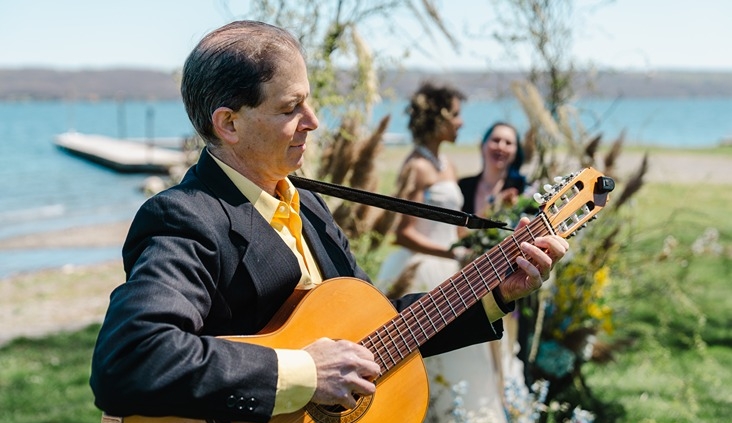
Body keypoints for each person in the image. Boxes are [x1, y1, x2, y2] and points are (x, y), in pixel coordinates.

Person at [89, 21, 569, 423]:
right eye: (289, 107)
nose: (313, 120)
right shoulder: (187, 216)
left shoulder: (308, 206)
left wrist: (494, 292)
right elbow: (129, 359)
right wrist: (302, 373)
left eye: (309, 101)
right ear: (229, 124)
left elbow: (375, 335)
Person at [376, 85, 507, 422]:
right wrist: (452, 253)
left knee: (469, 355)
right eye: (455, 114)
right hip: (420, 271)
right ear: (437, 118)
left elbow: (455, 225)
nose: (461, 122)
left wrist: (472, 248)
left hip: (454, 267)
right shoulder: (416, 166)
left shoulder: (447, 164)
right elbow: (402, 232)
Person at [457, 121, 534, 404]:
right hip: (466, 281)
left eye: (508, 143)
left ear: (516, 152)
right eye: (496, 140)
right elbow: (459, 235)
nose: (501, 147)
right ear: (483, 144)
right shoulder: (463, 186)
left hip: (504, 286)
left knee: (503, 355)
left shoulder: (524, 191)